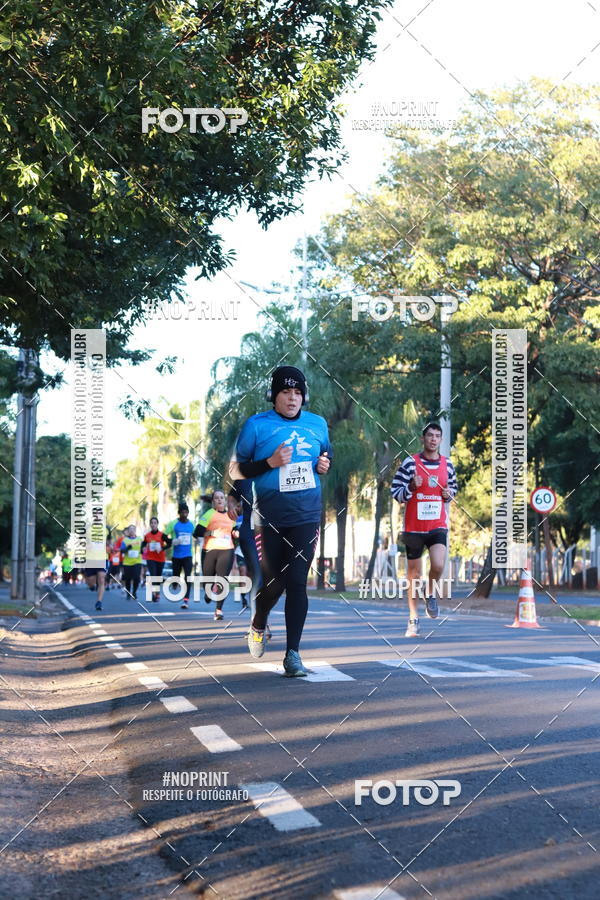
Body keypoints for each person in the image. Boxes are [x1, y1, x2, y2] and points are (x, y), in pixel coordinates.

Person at [231, 365, 332, 677]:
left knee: (297, 581)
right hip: (268, 518)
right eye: (285, 392)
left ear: (304, 397)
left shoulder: (317, 424)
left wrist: (324, 464)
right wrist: (269, 463)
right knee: (274, 583)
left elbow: (325, 455)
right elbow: (236, 470)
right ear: (273, 396)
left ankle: (293, 654)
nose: (292, 398)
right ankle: (258, 622)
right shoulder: (256, 426)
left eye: (298, 392)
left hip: (306, 516)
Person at [390, 422, 458, 637]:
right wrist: (411, 487)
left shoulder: (447, 464)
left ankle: (430, 593)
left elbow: (453, 489)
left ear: (441, 440)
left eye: (437, 436)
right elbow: (396, 492)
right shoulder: (410, 463)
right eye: (430, 435)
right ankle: (413, 619)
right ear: (423, 438)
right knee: (414, 575)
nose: (433, 439)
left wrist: (449, 494)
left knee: (438, 564)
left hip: (437, 525)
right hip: (413, 527)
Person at [193, 490, 236, 621]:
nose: (219, 500)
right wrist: (211, 532)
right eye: (216, 498)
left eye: (222, 497)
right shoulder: (209, 514)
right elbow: (197, 532)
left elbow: (234, 530)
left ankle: (218, 610)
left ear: (225, 500)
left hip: (227, 550)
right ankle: (208, 592)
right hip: (209, 550)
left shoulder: (231, 515)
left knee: (223, 580)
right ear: (213, 501)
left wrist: (236, 533)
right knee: (208, 580)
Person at [229, 478, 262, 615]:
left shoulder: (277, 472)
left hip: (271, 533)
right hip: (249, 533)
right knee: (257, 574)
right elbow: (232, 496)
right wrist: (231, 505)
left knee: (268, 579)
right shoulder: (244, 476)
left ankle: (261, 617)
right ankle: (257, 620)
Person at [167, 503, 195, 609]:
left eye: (186, 512)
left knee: (188, 576)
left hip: (188, 555)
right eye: (182, 512)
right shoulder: (173, 524)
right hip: (176, 556)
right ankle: (175, 583)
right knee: (176, 576)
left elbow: (197, 534)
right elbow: (163, 536)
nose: (184, 514)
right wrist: (172, 541)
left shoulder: (192, 524)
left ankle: (186, 600)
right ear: (179, 513)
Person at [142, 517, 172, 601]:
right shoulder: (147, 536)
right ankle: (154, 593)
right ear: (150, 524)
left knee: (158, 577)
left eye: (155, 523)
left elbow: (169, 543)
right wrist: (143, 548)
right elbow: (143, 544)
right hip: (150, 558)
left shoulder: (162, 535)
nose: (153, 524)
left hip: (160, 559)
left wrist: (162, 548)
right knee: (153, 575)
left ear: (157, 524)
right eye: (151, 523)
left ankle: (157, 593)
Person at [121, 524, 143, 600]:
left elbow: (144, 549)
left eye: (133, 529)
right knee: (128, 579)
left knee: (136, 577)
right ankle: (128, 593)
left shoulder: (140, 539)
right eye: (130, 529)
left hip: (137, 561)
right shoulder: (125, 540)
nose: (131, 530)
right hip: (127, 563)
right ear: (128, 531)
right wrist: (127, 548)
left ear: (135, 530)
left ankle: (134, 592)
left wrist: (143, 550)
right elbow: (122, 551)